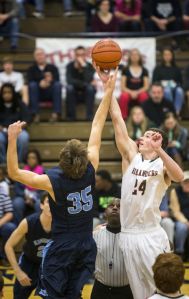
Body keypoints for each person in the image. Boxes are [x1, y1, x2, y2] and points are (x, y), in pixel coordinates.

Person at [7, 68, 118, 299]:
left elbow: (14, 173)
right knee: (74, 295)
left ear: (62, 159)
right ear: (83, 157)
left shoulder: (52, 180)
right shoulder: (91, 168)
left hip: (62, 248)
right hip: (86, 245)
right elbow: (97, 125)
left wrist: (12, 139)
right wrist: (108, 89)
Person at [94, 66, 184, 299]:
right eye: (142, 136)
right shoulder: (131, 159)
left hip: (151, 234)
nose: (140, 139)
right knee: (141, 295)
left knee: (165, 289)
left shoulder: (160, 165)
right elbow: (116, 119)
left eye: (146, 137)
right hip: (129, 235)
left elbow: (179, 176)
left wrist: (160, 150)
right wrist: (108, 86)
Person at [5, 192, 51, 299]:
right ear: (41, 205)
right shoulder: (28, 222)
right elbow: (8, 246)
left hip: (50, 265)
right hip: (29, 263)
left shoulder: (62, 224)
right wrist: (18, 271)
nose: (52, 205)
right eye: (49, 202)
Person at [91, 198, 133, 299]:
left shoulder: (133, 237)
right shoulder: (94, 235)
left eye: (119, 206)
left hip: (126, 291)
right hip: (100, 290)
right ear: (105, 212)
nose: (114, 208)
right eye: (111, 206)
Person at [27, 48, 62, 123]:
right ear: (35, 57)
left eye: (41, 54)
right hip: (37, 93)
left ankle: (56, 114)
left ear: (45, 56)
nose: (40, 56)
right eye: (37, 55)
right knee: (32, 85)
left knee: (57, 85)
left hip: (50, 92)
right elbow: (29, 80)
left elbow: (57, 79)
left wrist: (49, 82)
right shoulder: (31, 69)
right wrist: (40, 82)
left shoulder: (53, 68)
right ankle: (35, 114)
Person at [13, 149, 45, 225]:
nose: (31, 160)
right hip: (23, 197)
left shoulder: (43, 173)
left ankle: (39, 227)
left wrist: (33, 198)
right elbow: (17, 189)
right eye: (29, 158)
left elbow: (44, 191)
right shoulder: (21, 172)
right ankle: (19, 227)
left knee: (39, 204)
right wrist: (25, 197)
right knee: (17, 203)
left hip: (37, 197)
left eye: (33, 158)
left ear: (37, 159)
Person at [0, 83, 30, 164]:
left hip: (18, 130)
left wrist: (18, 128)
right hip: (2, 131)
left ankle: (19, 162)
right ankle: (3, 163)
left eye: (9, 92)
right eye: (4, 93)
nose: (7, 95)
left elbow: (26, 120)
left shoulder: (20, 104)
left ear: (13, 93)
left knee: (24, 137)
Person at [66, 45, 96, 121]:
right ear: (75, 56)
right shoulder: (70, 66)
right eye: (78, 55)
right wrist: (85, 83)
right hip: (74, 93)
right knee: (69, 88)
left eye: (82, 55)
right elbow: (69, 80)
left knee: (90, 88)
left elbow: (89, 78)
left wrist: (83, 66)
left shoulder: (89, 66)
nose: (80, 57)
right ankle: (71, 117)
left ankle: (89, 117)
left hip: (86, 94)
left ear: (85, 55)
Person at [152, 48, 184, 117]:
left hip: (175, 88)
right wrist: (162, 83)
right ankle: (171, 110)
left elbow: (180, 82)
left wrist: (174, 83)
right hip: (162, 88)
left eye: (169, 54)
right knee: (167, 90)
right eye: (165, 55)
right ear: (163, 56)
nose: (167, 56)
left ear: (172, 56)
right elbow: (154, 82)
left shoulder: (176, 68)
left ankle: (176, 112)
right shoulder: (158, 68)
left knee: (180, 91)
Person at [119, 48, 149, 119]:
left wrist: (137, 92)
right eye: (132, 55)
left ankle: (144, 117)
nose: (134, 56)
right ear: (129, 57)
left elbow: (146, 87)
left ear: (139, 57)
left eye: (136, 55)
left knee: (144, 96)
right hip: (128, 92)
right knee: (124, 96)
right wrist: (131, 92)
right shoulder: (125, 70)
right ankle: (123, 118)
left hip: (140, 92)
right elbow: (123, 87)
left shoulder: (144, 70)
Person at [169, 171, 189, 258]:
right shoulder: (175, 191)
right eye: (185, 182)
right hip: (181, 220)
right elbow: (175, 211)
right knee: (181, 228)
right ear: (181, 182)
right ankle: (179, 253)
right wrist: (185, 221)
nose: (187, 184)